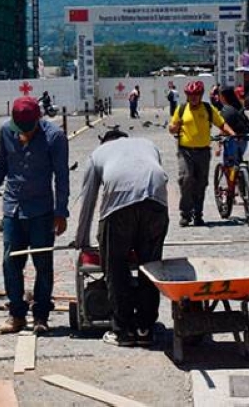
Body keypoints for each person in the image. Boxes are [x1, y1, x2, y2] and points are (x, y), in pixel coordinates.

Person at [0, 97, 69, 335]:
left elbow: (62, 176)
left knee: (43, 264)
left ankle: (41, 315)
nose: (22, 135)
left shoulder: (54, 137)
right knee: (10, 263)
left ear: (38, 121)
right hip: (13, 207)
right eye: (19, 130)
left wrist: (61, 212)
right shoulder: (6, 131)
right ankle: (16, 314)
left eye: (27, 131)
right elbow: (0, 164)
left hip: (41, 211)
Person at [74, 128, 168, 347]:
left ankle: (123, 330)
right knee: (151, 266)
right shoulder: (147, 144)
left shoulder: (98, 154)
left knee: (115, 266)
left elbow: (88, 201)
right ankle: (145, 329)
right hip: (156, 206)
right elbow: (157, 178)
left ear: (104, 142)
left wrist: (82, 241)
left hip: (118, 211)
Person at [168, 81, 236, 227]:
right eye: (190, 95)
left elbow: (221, 123)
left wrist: (232, 133)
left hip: (203, 152)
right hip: (185, 151)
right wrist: (175, 127)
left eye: (196, 95)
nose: (193, 98)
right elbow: (172, 128)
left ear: (200, 95)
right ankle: (185, 214)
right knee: (186, 180)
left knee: (201, 183)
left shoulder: (207, 109)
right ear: (187, 95)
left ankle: (198, 214)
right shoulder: (181, 109)